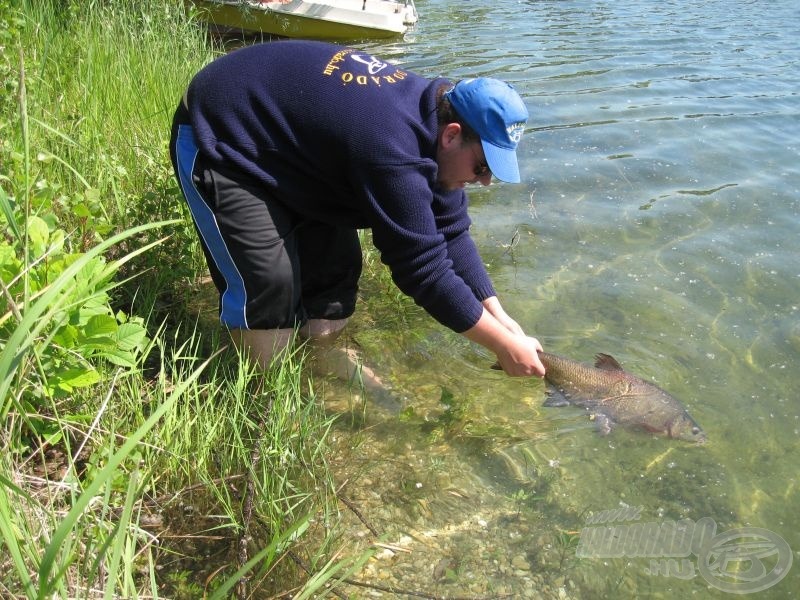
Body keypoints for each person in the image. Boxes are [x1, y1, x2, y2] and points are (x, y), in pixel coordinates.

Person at [169, 40, 546, 382]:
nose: (484, 182)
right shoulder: (393, 148)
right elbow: (423, 269)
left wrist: (500, 317)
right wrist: (500, 345)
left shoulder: (442, 127)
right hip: (223, 133)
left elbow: (450, 232)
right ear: (451, 134)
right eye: (482, 167)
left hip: (294, 146)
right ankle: (269, 394)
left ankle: (320, 362)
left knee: (336, 274)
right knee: (270, 288)